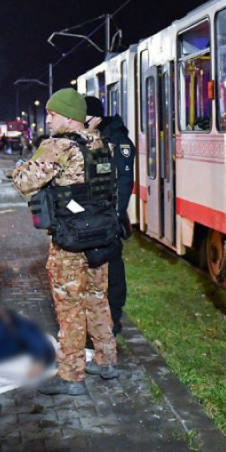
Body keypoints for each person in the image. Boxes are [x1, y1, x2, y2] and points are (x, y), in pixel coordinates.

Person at [11, 89, 118, 396]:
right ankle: (107, 360)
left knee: (70, 305)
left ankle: (71, 376)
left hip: (71, 239)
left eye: (53, 114)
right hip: (101, 235)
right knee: (98, 297)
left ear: (70, 118)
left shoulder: (57, 146)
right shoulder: (102, 143)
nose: (48, 118)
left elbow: (25, 181)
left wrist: (19, 167)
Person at [84, 95, 136, 334]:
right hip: (94, 219)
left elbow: (124, 183)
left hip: (109, 220)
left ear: (96, 117)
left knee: (113, 271)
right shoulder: (90, 138)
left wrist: (114, 217)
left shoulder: (117, 141)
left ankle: (113, 321)